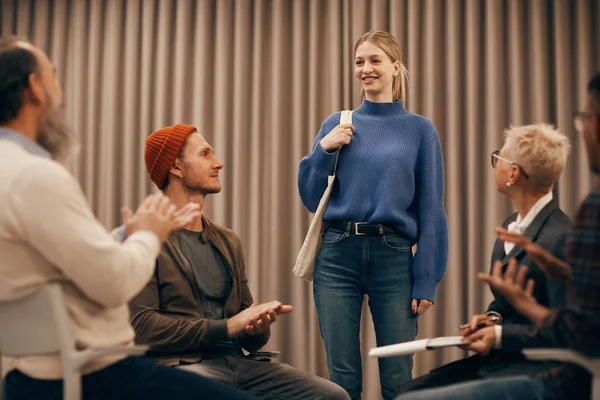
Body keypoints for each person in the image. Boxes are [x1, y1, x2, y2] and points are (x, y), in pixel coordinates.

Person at [0, 36, 259, 400]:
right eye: (54, 78)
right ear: (34, 90)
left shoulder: (10, 172)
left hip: (21, 377)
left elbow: (71, 262)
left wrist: (127, 233)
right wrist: (148, 236)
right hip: (93, 374)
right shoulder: (37, 176)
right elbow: (113, 282)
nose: (62, 96)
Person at [395, 73, 600, 400]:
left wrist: (501, 335)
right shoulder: (511, 226)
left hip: (536, 366)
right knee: (409, 390)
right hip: (502, 358)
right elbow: (505, 306)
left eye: (498, 159)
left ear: (514, 173)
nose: (495, 165)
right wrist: (491, 319)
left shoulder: (561, 237)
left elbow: (569, 332)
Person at [129, 124, 350, 400]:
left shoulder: (227, 240)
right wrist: (227, 327)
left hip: (238, 363)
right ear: (175, 167)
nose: (218, 163)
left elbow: (246, 327)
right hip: (182, 366)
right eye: (205, 154)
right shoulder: (146, 239)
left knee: (333, 396)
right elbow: (142, 326)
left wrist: (255, 328)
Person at [297, 31, 448, 400]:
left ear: (396, 67)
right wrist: (322, 150)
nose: (366, 69)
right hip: (337, 255)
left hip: (393, 258)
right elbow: (309, 197)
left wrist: (427, 277)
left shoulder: (420, 130)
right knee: (342, 381)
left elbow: (431, 209)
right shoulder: (338, 123)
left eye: (375, 60)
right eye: (360, 61)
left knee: (398, 379)